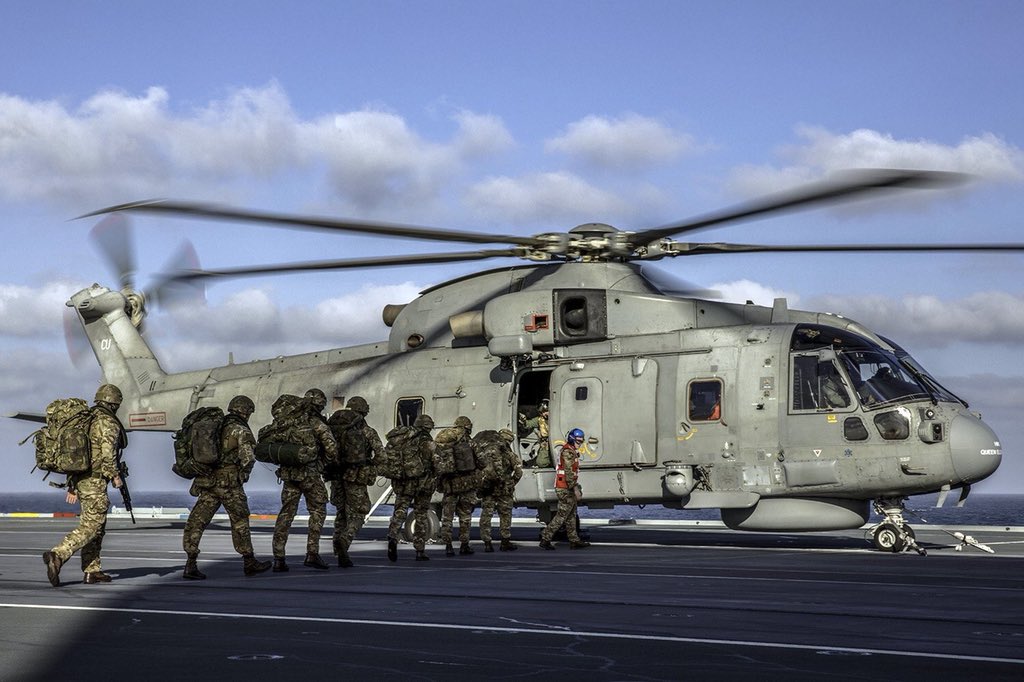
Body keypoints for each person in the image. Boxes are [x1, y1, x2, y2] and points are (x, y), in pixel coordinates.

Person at [43, 383, 128, 586]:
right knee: (92, 525)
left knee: (97, 527)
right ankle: (58, 554)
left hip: (81, 480)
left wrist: (72, 484)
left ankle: (92, 570)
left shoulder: (85, 420)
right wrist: (115, 476)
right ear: (114, 403)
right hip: (95, 481)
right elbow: (108, 456)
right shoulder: (107, 422)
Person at [181, 395, 271, 579]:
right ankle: (249, 561)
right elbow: (248, 458)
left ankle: (190, 564)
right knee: (240, 522)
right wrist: (243, 474)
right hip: (230, 485)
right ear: (246, 411)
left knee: (196, 522)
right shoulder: (240, 430)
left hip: (208, 482)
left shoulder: (214, 426)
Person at [271, 388, 339, 572]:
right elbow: (332, 449)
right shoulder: (316, 423)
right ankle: (312, 553)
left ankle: (278, 559)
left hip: (288, 476)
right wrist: (320, 465)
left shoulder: (285, 422)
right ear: (318, 404)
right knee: (318, 511)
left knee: (285, 515)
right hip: (309, 475)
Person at [326, 396, 382, 567]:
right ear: (364, 411)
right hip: (356, 476)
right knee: (359, 512)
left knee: (341, 512)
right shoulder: (367, 431)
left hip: (335, 475)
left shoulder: (332, 429)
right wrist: (370, 465)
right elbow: (381, 455)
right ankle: (345, 539)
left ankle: (337, 546)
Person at [385, 414, 437, 562]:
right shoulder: (426, 441)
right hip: (422, 484)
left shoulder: (401, 439)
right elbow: (438, 462)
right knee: (421, 515)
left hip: (402, 482)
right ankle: (420, 551)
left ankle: (393, 536)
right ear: (428, 427)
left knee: (400, 511)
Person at [539, 427, 590, 550]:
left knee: (571, 515)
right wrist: (575, 489)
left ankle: (574, 540)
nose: (580, 443)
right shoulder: (568, 452)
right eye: (578, 441)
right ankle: (545, 538)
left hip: (567, 487)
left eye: (581, 441)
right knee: (561, 515)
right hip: (565, 488)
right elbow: (568, 472)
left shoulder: (571, 451)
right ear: (572, 440)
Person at [436, 416, 480, 556]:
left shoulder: (446, 441)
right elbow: (482, 461)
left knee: (447, 517)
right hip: (467, 484)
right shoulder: (471, 443)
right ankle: (464, 545)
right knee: (465, 516)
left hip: (449, 483)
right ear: (468, 427)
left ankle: (448, 545)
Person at [477, 428, 522, 552]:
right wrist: (512, 482)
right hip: (504, 489)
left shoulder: (486, 452)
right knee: (505, 515)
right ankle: (505, 542)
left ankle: (487, 543)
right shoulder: (510, 454)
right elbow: (518, 471)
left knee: (486, 514)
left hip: (489, 487)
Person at [520, 401, 551, 467]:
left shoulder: (555, 419)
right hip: (545, 444)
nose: (544, 414)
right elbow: (528, 424)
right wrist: (524, 421)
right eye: (542, 412)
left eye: (546, 411)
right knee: (541, 462)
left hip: (554, 442)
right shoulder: (539, 420)